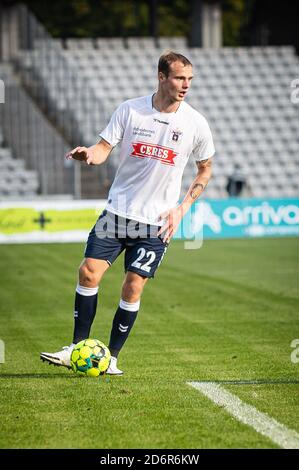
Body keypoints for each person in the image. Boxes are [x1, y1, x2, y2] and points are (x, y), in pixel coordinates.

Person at [40, 51, 215, 375]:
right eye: (179, 78)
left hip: (157, 223)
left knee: (133, 286)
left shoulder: (195, 123)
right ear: (161, 77)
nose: (186, 85)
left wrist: (182, 209)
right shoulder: (130, 110)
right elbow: (103, 147)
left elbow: (205, 170)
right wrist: (89, 155)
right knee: (88, 272)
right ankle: (77, 348)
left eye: (189, 79)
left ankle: (113, 359)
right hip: (118, 212)